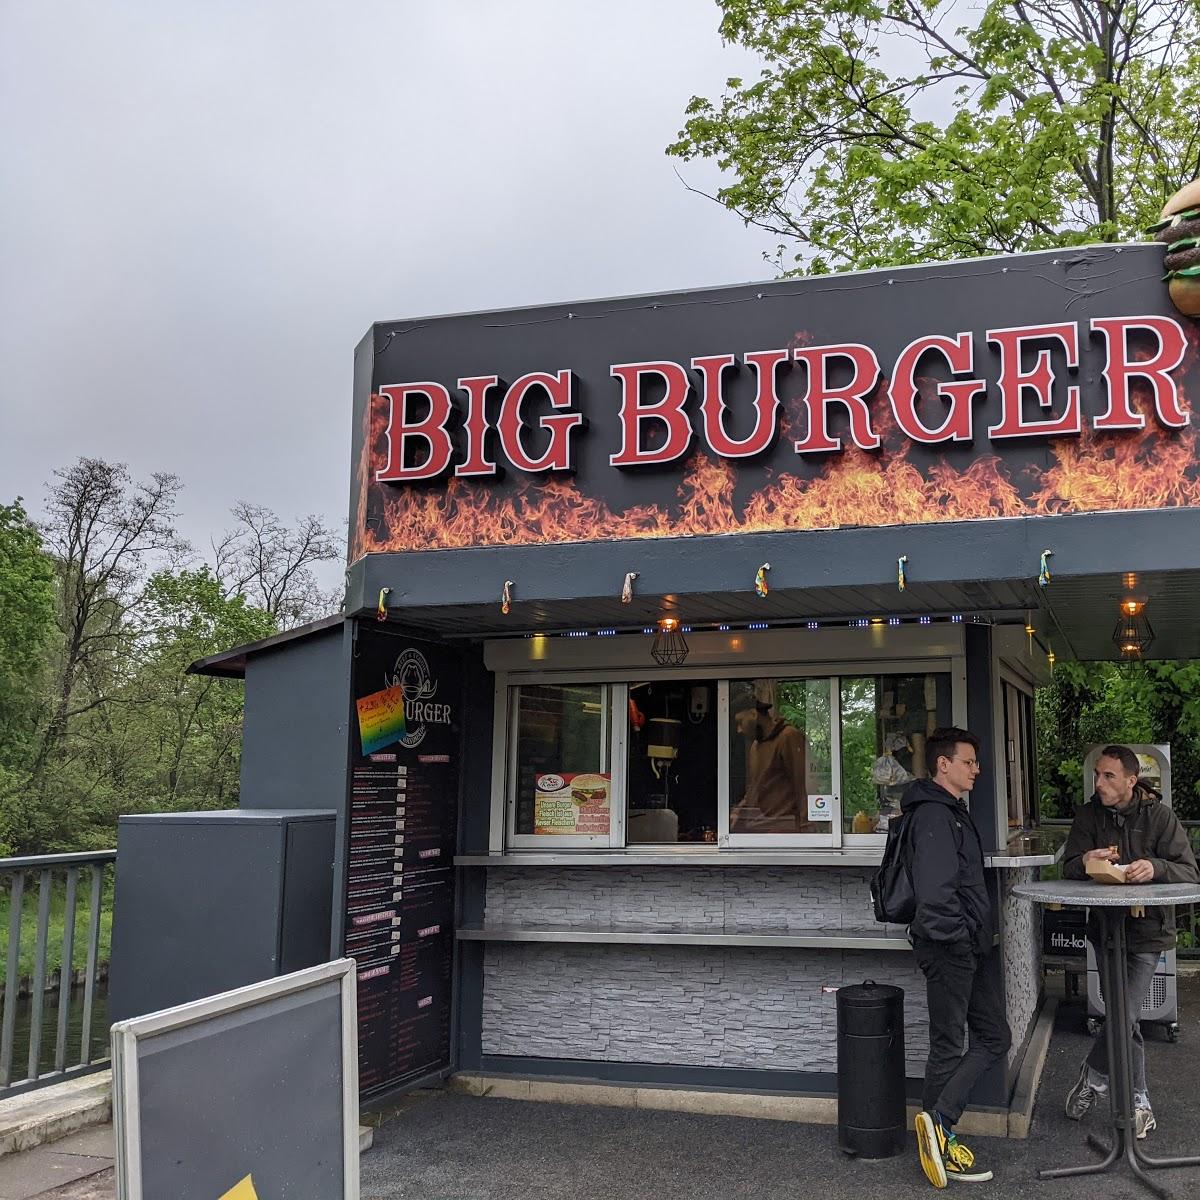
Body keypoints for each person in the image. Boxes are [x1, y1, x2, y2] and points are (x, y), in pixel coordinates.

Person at [1061, 745, 1199, 1139]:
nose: (1099, 783)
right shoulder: (1088, 815)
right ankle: (1127, 1095)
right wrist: (1088, 859)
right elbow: (1069, 866)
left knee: (1125, 1015)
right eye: (1097, 776)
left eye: (1108, 776)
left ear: (1131, 780)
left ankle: (1110, 1086)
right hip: (1106, 930)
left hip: (1149, 933)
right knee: (1124, 1017)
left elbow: (1190, 871)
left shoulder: (1160, 816)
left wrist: (1154, 866)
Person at [907, 726, 1011, 1188]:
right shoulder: (933, 814)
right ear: (943, 764)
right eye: (968, 762)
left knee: (993, 1037)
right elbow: (934, 894)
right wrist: (962, 941)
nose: (976, 770)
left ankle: (938, 1122)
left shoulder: (952, 811)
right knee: (949, 1044)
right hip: (951, 947)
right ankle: (941, 1143)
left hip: (970, 945)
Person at [729, 680, 811, 833]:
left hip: (786, 830)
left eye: (740, 722)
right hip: (762, 828)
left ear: (754, 714)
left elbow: (803, 787)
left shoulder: (788, 737)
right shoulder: (755, 747)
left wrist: (806, 827)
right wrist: (737, 812)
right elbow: (754, 789)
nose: (739, 730)